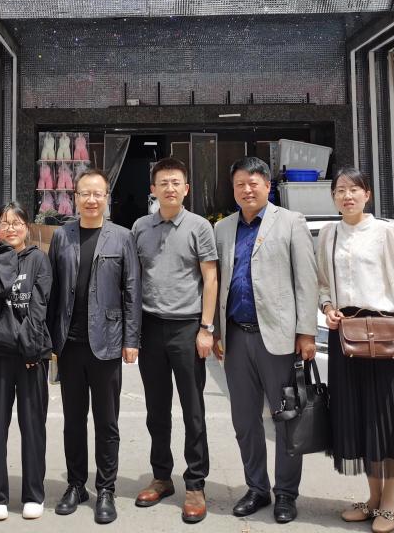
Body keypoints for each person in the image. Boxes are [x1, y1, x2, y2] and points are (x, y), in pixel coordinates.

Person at [315, 168, 394, 533]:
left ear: (367, 195)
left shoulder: (384, 233)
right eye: (340, 190)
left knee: (387, 420)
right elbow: (323, 282)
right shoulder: (328, 234)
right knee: (359, 419)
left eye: (354, 190)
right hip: (345, 335)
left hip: (383, 334)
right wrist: (327, 306)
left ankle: (390, 502)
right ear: (333, 197)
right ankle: (373, 497)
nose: (347, 196)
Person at [213, 156, 318, 525]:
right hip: (236, 336)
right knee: (244, 420)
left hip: (279, 338)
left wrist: (306, 332)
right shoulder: (223, 228)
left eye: (253, 183)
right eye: (240, 184)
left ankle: (286, 493)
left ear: (268, 186)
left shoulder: (290, 222)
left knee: (286, 418)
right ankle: (256, 488)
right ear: (233, 188)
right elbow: (218, 283)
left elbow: (307, 280)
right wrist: (216, 330)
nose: (247, 190)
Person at [47, 168, 141, 524]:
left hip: (107, 342)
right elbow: (53, 290)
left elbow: (132, 290)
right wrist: (50, 339)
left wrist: (132, 340)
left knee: (106, 421)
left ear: (106, 198)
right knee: (73, 420)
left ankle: (106, 489)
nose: (90, 199)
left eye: (97, 194)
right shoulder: (62, 236)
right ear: (75, 198)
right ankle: (75, 485)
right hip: (69, 344)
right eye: (84, 193)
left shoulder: (122, 237)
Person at [131, 158, 218, 524]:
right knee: (156, 409)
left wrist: (206, 328)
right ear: (153, 189)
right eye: (163, 183)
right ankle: (162, 476)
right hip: (151, 327)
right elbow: (134, 279)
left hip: (187, 328)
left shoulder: (199, 226)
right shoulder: (140, 227)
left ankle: (195, 483)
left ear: (186, 188)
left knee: (193, 409)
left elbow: (210, 278)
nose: (169, 188)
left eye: (176, 182)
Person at [0, 202, 53, 521]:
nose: (11, 228)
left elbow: (39, 307)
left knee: (33, 426)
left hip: (31, 355)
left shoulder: (39, 259)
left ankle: (33, 494)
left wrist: (30, 349)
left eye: (16, 223)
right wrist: (3, 254)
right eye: (4, 223)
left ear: (27, 227)